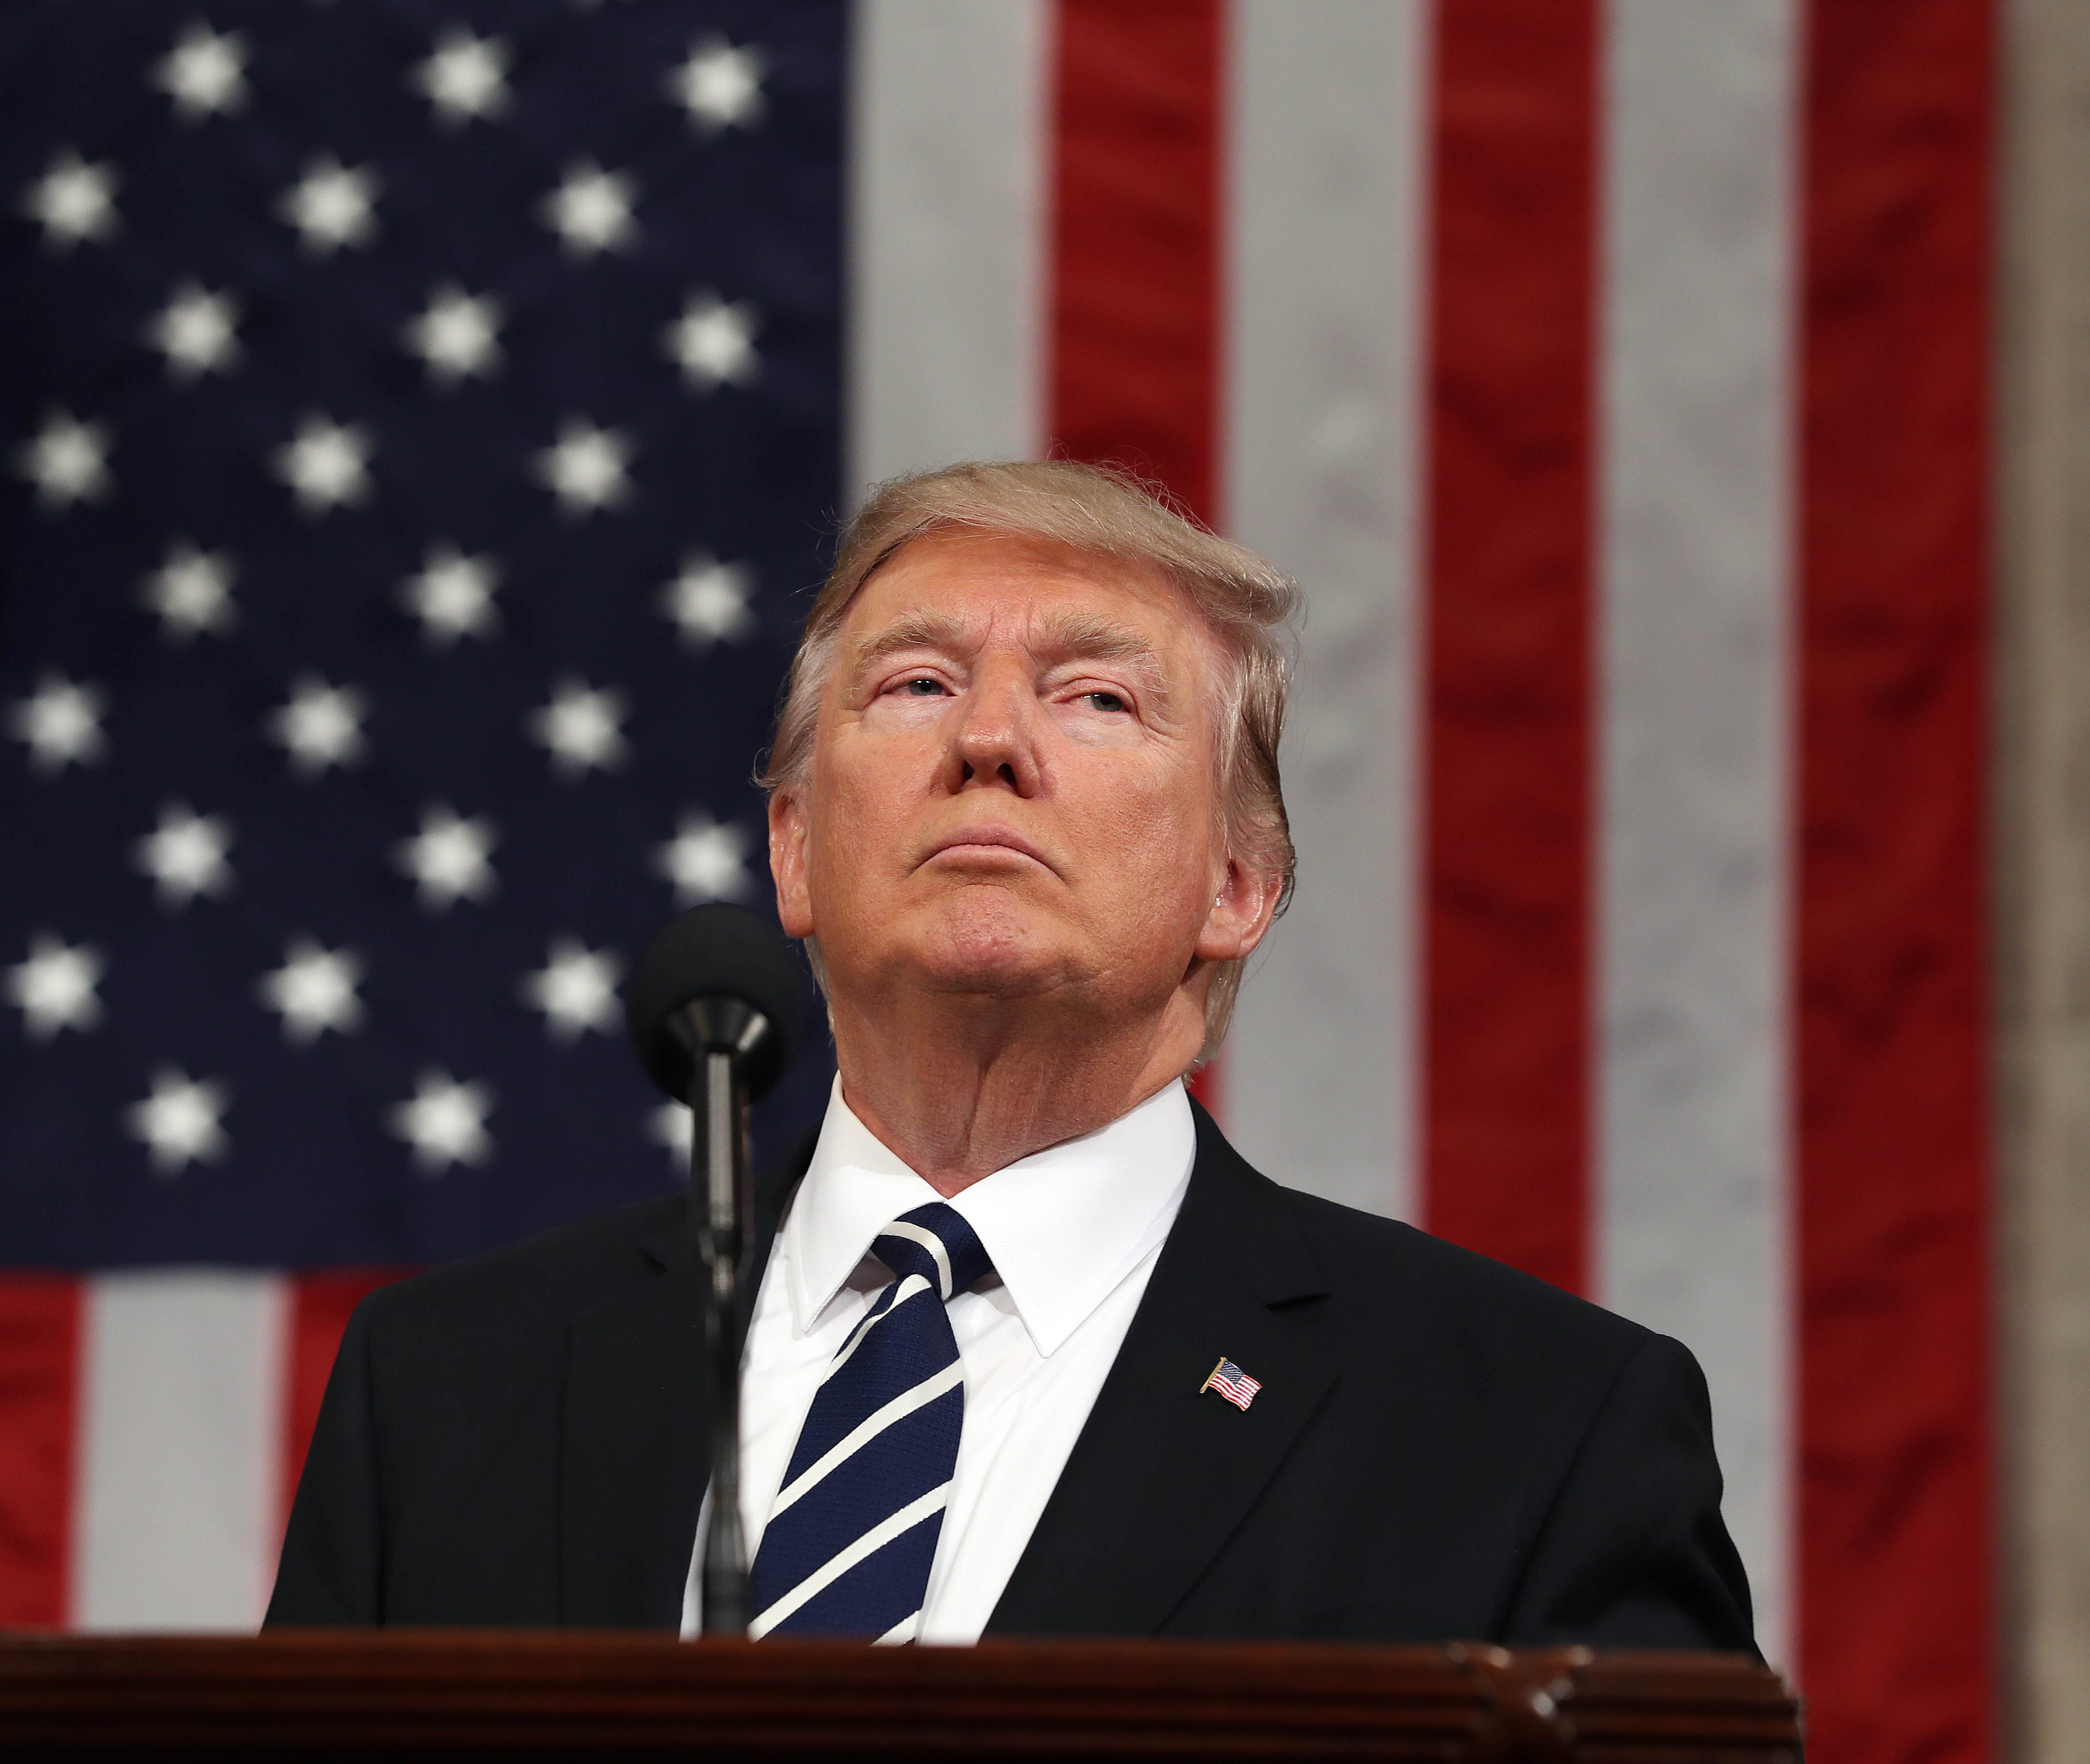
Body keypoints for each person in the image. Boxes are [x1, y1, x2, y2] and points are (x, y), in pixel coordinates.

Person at [267, 460, 1755, 1649]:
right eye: (915, 684)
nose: (990, 741)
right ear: (793, 851)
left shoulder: (1526, 1429)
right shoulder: (454, 1386)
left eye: (1096, 699)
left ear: (1237, 886)